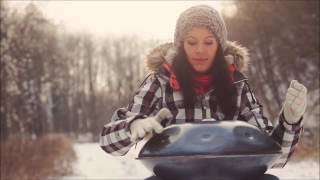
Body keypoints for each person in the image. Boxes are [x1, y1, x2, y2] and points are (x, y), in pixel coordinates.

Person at [100, 5, 307, 180]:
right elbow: (109, 145)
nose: (200, 50)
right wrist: (133, 125)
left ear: (219, 45)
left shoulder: (237, 84)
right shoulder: (160, 82)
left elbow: (275, 157)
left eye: (209, 42)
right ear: (181, 44)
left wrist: (290, 121)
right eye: (191, 42)